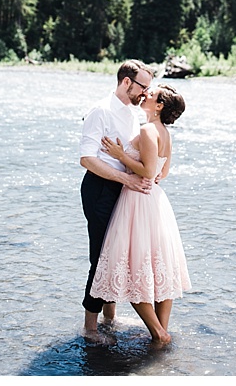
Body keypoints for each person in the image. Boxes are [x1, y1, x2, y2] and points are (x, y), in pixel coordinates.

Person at [89, 83, 191, 345]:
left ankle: (159, 333)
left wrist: (120, 155)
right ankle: (160, 331)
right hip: (155, 200)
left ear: (159, 106)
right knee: (157, 267)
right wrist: (147, 172)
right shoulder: (164, 133)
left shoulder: (147, 130)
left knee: (134, 267)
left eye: (153, 94)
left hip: (136, 199)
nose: (147, 94)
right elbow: (161, 173)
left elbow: (146, 171)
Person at [80, 59, 155, 342]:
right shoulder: (100, 111)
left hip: (121, 189)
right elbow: (87, 159)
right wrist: (127, 179)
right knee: (101, 257)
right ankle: (90, 329)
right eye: (142, 87)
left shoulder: (131, 113)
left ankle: (109, 319)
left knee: (116, 255)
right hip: (99, 189)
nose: (146, 94)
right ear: (126, 82)